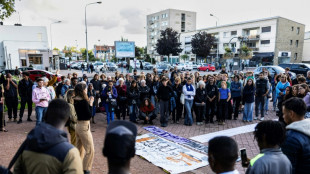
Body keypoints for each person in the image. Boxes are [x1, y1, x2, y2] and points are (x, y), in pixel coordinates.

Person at [13, 99, 83, 174]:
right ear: (68, 119)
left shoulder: (27, 144)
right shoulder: (70, 153)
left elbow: (16, 171)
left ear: (46, 115)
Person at [281, 97, 310, 174]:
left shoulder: (291, 138)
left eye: (284, 113)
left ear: (291, 114)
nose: (283, 117)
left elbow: (288, 169)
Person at [73, 83, 95, 174]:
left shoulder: (75, 100)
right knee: (90, 150)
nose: (86, 90)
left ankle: (76, 167)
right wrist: (91, 103)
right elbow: (89, 115)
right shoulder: (84, 101)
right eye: (85, 89)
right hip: (84, 126)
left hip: (77, 125)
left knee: (79, 148)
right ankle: (85, 169)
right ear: (83, 90)